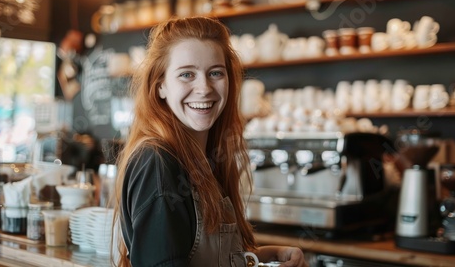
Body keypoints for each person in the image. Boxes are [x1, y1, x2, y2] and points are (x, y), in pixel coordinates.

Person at [112, 16, 308, 267]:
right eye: (186, 75)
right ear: (160, 85)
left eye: (215, 72)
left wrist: (268, 255)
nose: (204, 88)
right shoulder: (158, 163)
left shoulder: (205, 156)